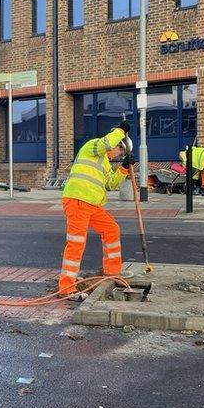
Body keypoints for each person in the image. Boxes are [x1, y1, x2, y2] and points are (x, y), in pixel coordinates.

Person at [58, 122, 134, 295]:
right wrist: (120, 130)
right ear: (117, 144)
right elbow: (106, 143)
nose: (118, 154)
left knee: (112, 230)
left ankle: (113, 272)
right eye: (120, 151)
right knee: (76, 243)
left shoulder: (105, 163)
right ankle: (67, 288)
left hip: (92, 204)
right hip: (77, 200)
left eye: (121, 154)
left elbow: (110, 184)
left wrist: (123, 168)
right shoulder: (92, 146)